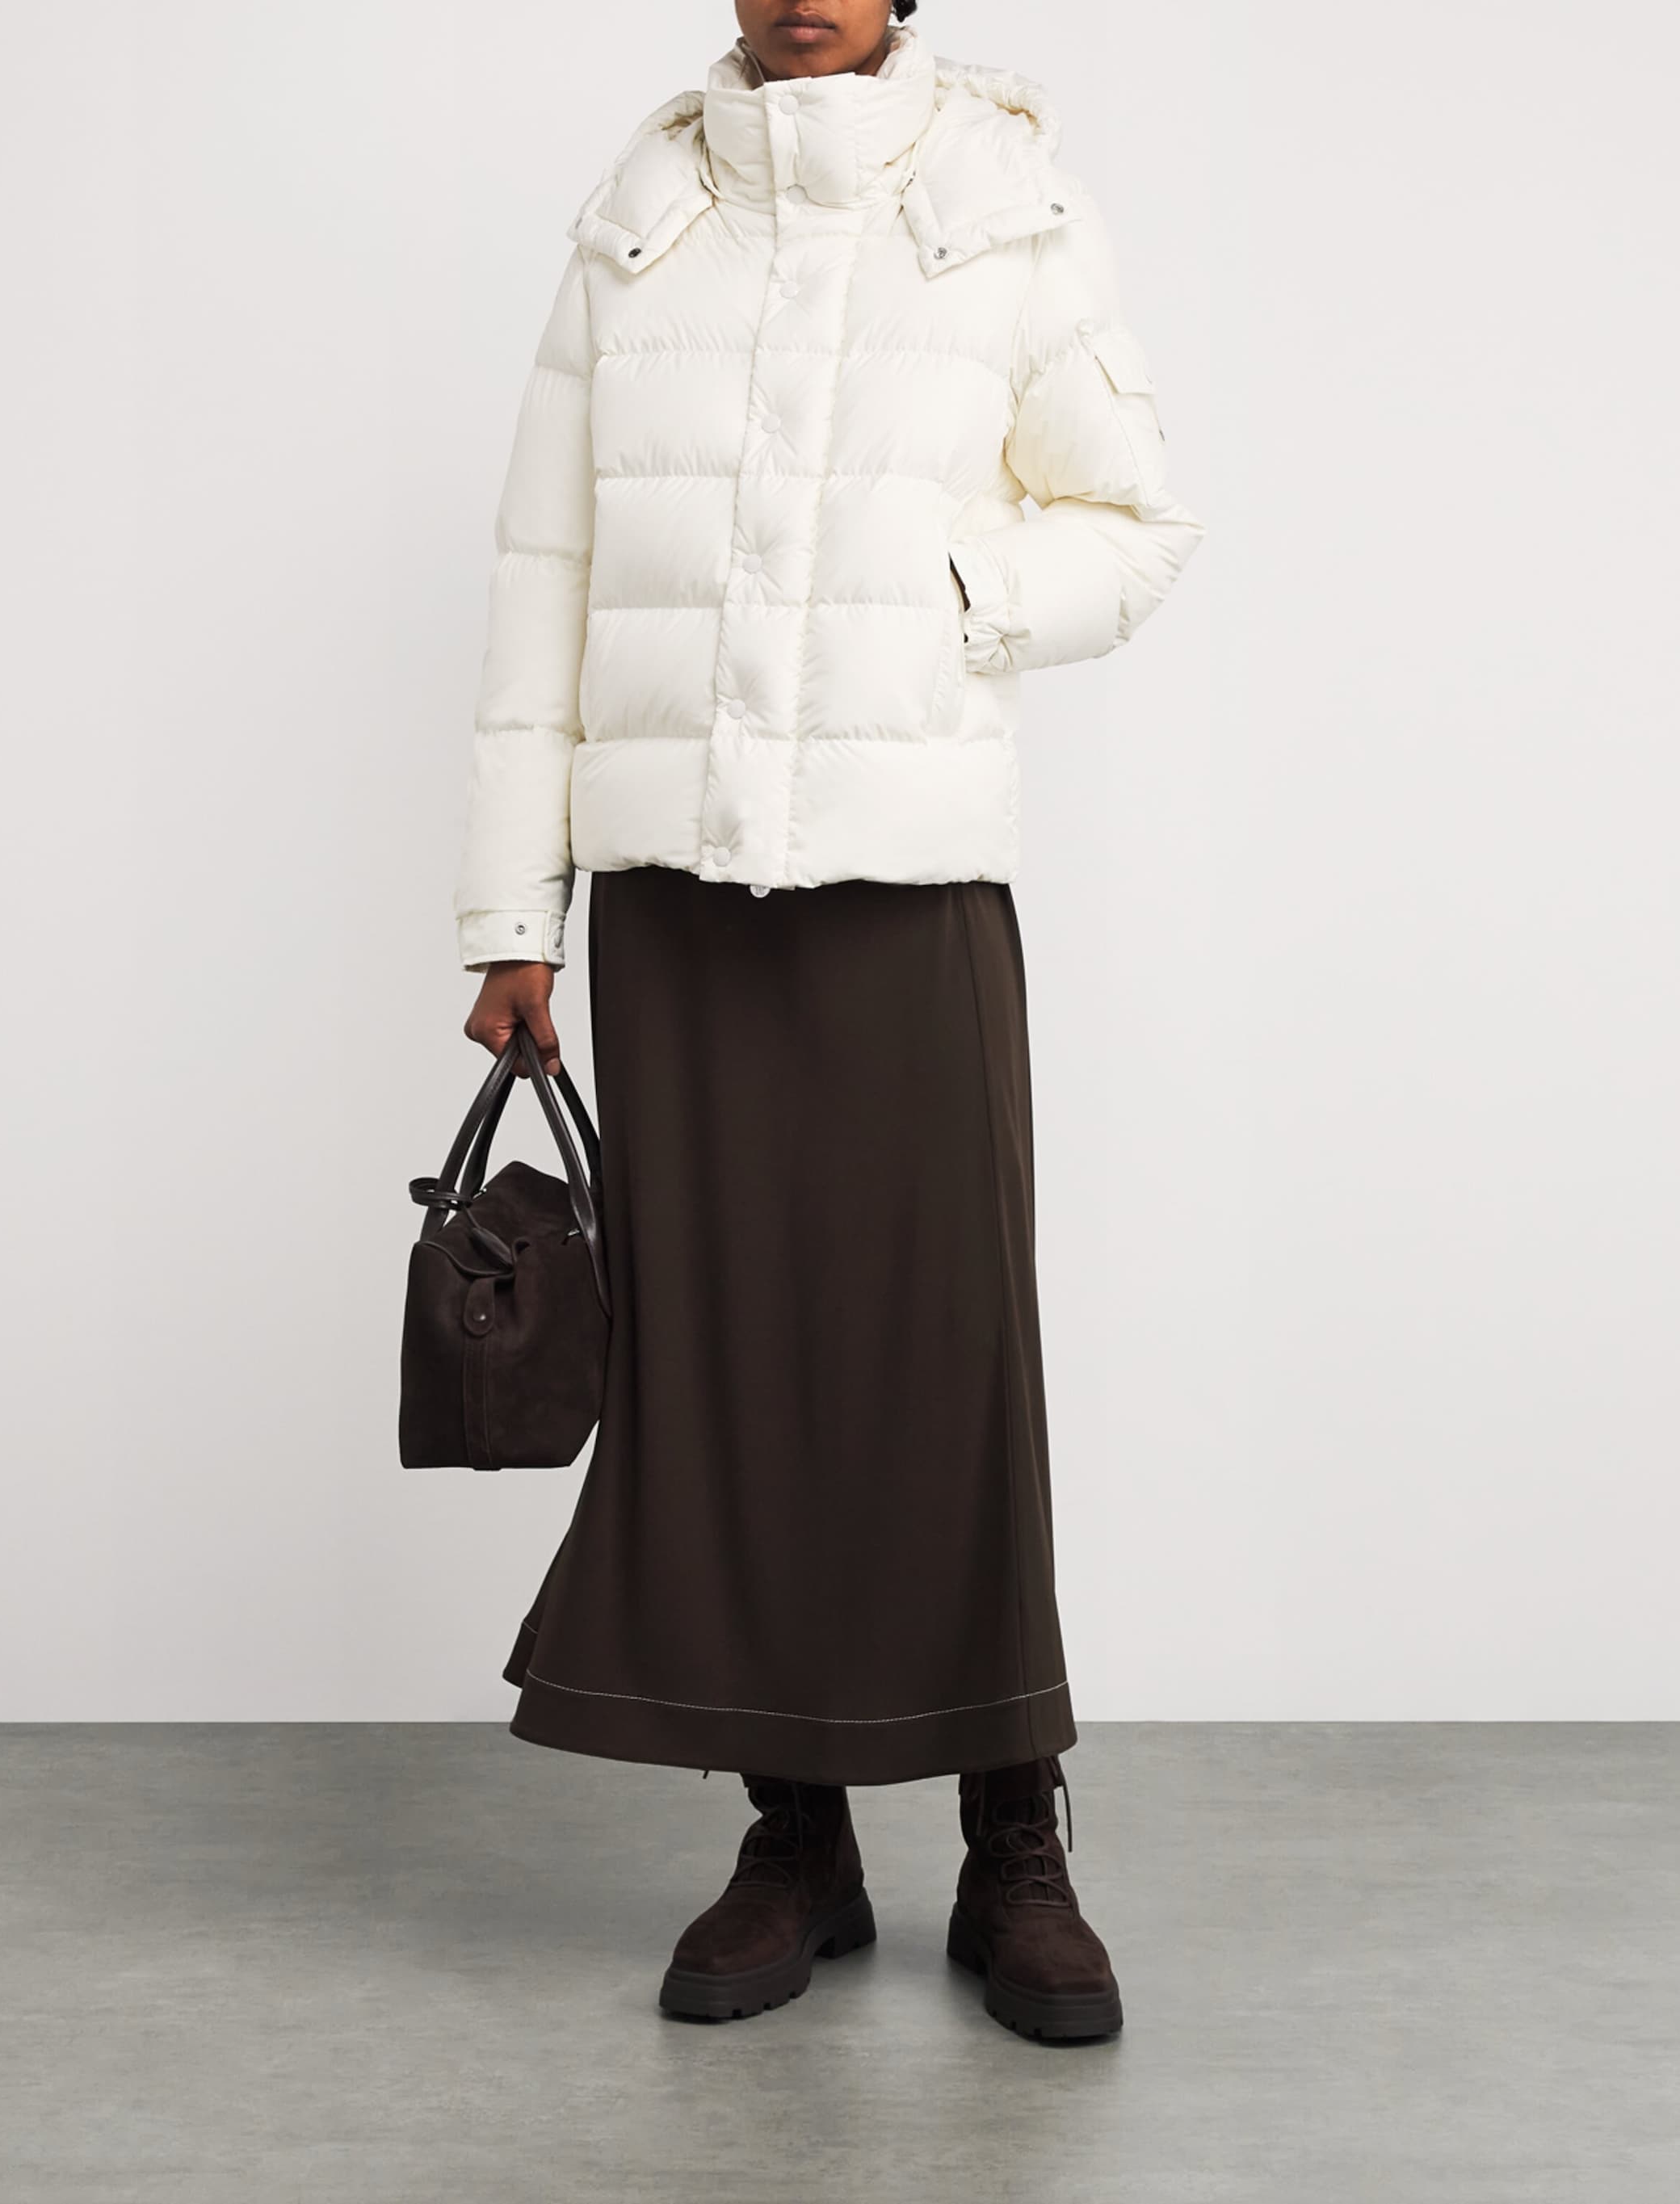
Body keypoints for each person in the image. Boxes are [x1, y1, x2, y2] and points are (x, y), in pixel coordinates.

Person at [454, 0, 1202, 2041]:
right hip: (676, 895)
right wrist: (513, 916)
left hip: (908, 873)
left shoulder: (1008, 197)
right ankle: (797, 1841)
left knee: (946, 1357)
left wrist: (945, 589)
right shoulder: (641, 213)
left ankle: (1014, 1838)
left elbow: (1136, 523)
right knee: (724, 1368)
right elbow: (545, 573)